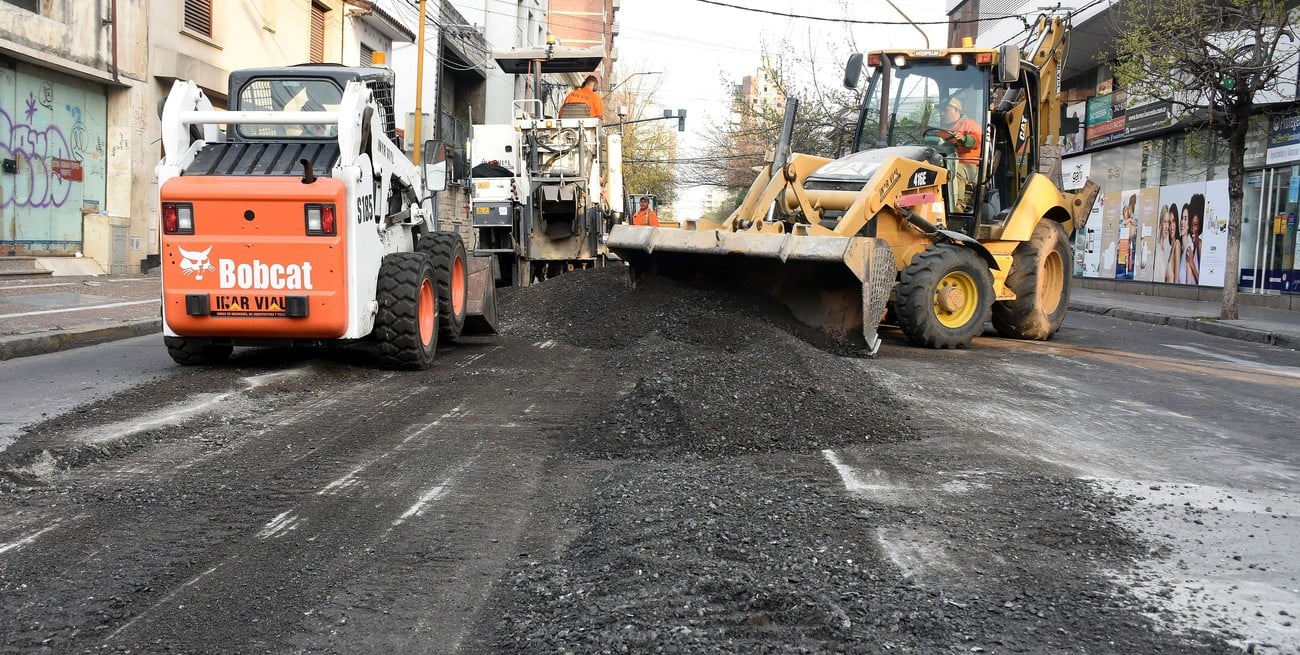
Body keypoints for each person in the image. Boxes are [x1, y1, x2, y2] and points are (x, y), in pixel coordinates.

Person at [936, 98, 982, 212]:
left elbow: (976, 141)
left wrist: (964, 138)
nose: (942, 113)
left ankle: (958, 205)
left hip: (968, 164)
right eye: (941, 111)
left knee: (955, 172)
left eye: (945, 110)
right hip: (947, 161)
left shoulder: (970, 125)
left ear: (957, 111)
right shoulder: (942, 130)